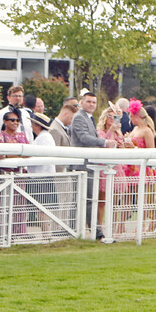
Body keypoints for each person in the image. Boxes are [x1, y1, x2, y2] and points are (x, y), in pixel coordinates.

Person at [69, 91, 115, 240]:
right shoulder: (79, 117)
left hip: (89, 164)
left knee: (87, 199)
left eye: (94, 102)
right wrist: (104, 142)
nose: (92, 105)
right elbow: (83, 138)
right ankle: (95, 232)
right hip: (82, 165)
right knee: (86, 199)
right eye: (89, 101)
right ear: (82, 103)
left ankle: (81, 231)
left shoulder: (88, 118)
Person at [96, 107, 134, 235]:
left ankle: (113, 227)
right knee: (102, 201)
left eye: (115, 117)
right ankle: (99, 228)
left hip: (117, 167)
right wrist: (110, 132)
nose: (112, 119)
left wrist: (124, 143)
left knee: (115, 201)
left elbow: (120, 146)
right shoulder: (100, 132)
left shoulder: (118, 132)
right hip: (104, 166)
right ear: (105, 118)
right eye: (110, 117)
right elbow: (102, 145)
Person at [127, 98, 156, 232]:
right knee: (134, 197)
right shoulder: (135, 129)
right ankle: (144, 222)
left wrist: (133, 148)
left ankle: (144, 223)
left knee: (144, 198)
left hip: (143, 168)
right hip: (134, 167)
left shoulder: (147, 131)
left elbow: (151, 150)